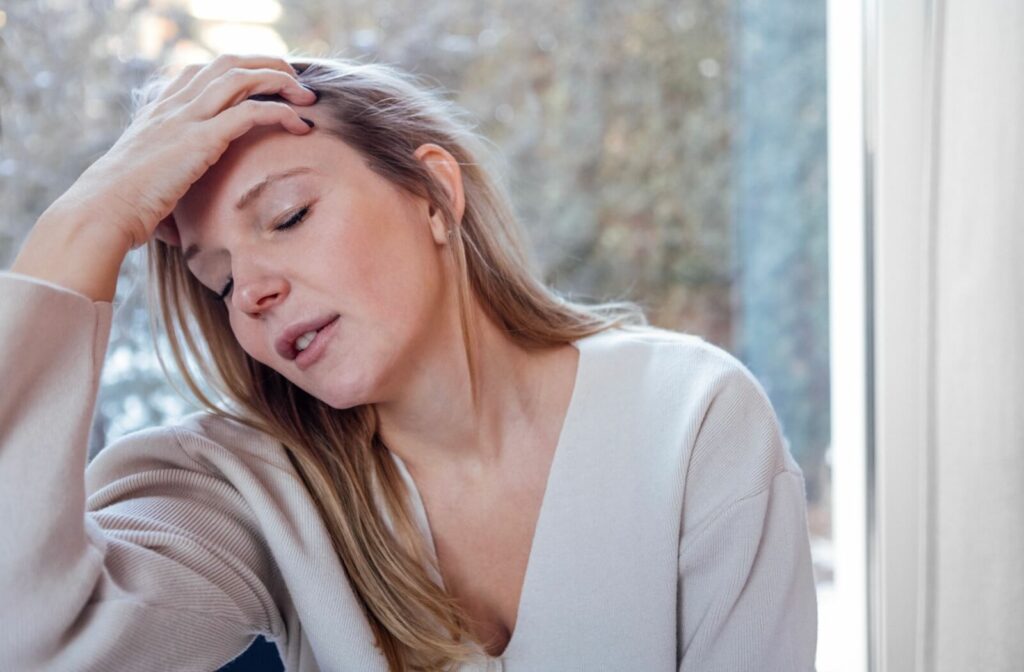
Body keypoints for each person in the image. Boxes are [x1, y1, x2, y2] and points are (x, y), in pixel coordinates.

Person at [0, 55, 818, 671]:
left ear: (434, 196)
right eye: (219, 282)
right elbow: (30, 638)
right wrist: (86, 222)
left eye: (288, 217)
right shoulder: (245, 487)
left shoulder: (692, 420)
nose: (251, 289)